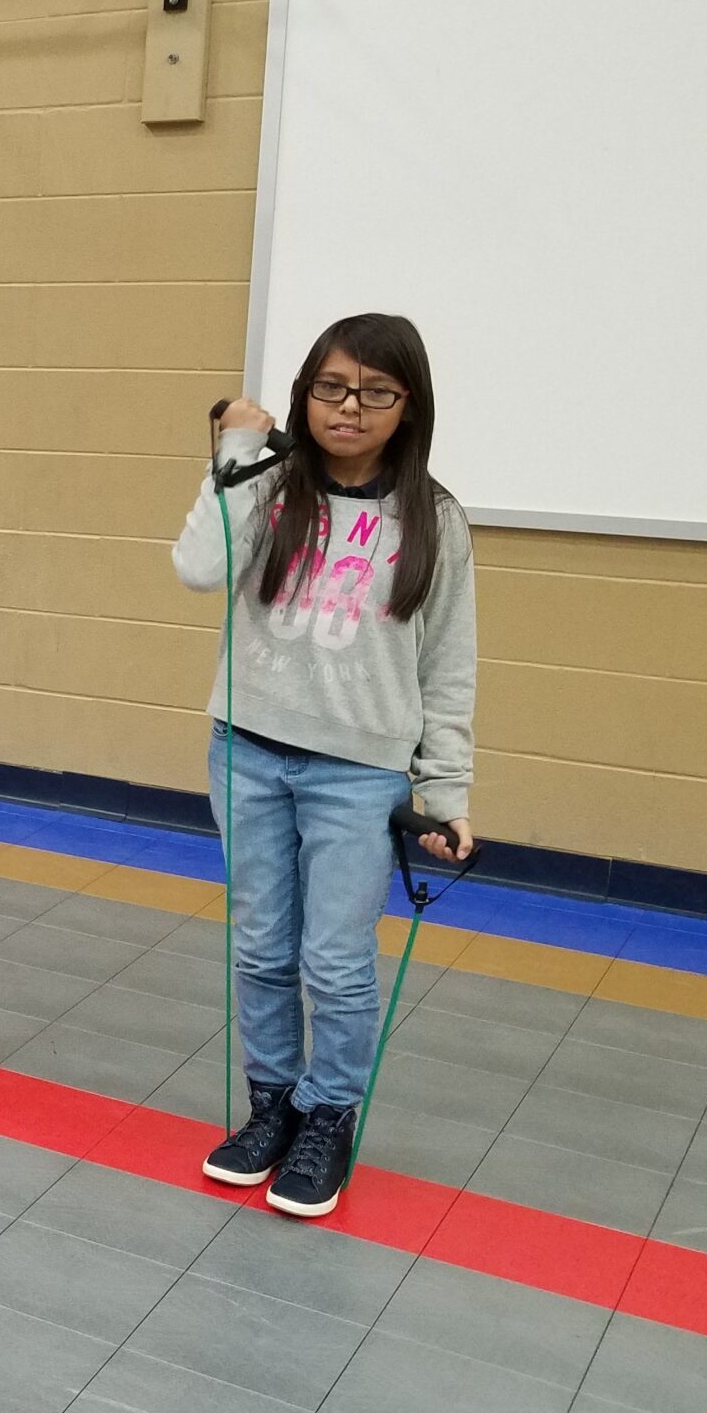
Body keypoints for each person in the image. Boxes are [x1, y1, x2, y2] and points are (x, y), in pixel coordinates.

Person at [175, 313, 477, 1217]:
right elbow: (197, 566)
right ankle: (272, 1105)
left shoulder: (436, 519)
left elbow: (449, 666)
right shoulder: (265, 487)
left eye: (375, 392)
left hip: (361, 773)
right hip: (248, 749)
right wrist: (235, 446)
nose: (350, 408)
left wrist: (447, 789)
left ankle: (327, 1115)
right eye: (331, 388)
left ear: (407, 406)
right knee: (261, 948)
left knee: (336, 961)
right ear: (304, 394)